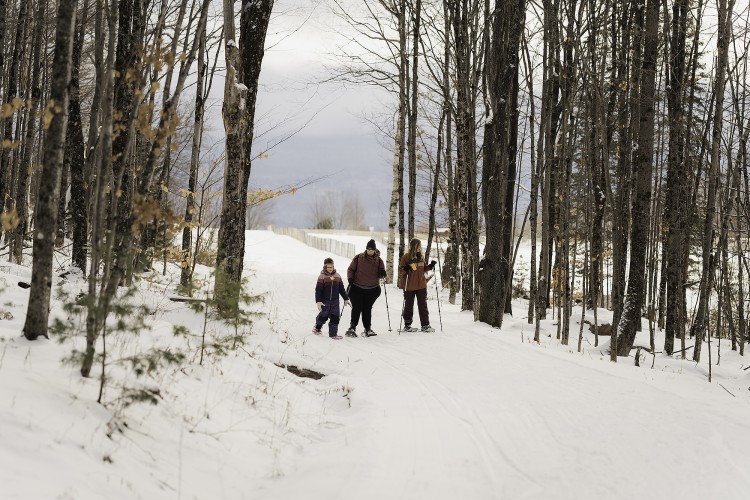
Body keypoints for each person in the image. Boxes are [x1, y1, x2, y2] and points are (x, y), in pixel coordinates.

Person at [346, 239, 386, 337]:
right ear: (366, 249)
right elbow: (350, 269)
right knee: (357, 307)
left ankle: (367, 329)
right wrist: (350, 279)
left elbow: (382, 274)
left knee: (367, 309)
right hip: (356, 288)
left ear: (374, 250)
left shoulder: (379, 261)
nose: (369, 251)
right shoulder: (359, 258)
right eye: (368, 249)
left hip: (372, 289)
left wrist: (383, 274)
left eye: (371, 249)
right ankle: (352, 327)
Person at [398, 238, 437, 332]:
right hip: (409, 285)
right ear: (413, 246)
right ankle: (407, 325)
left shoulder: (421, 257)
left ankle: (425, 325)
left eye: (420, 245)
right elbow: (401, 270)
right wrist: (406, 268)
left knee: (423, 305)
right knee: (408, 306)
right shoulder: (406, 257)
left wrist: (430, 266)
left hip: (421, 286)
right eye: (418, 245)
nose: (420, 247)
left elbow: (422, 269)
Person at [314, 257, 351, 340]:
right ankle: (317, 327)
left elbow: (341, 289)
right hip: (325, 301)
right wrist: (318, 301)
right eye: (328, 267)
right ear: (325, 267)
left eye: (331, 266)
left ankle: (333, 334)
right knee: (323, 316)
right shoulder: (322, 277)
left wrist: (346, 298)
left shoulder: (337, 276)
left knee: (335, 317)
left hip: (335, 301)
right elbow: (318, 290)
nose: (330, 268)